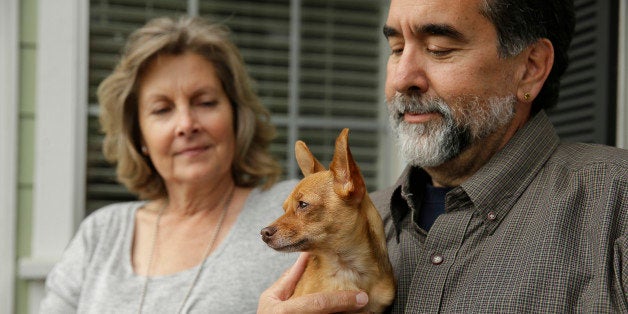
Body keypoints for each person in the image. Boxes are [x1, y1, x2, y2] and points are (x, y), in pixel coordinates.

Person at [258, 0, 628, 312]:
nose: (403, 77)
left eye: (439, 48)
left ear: (530, 68)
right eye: (396, 48)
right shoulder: (356, 226)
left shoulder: (616, 204)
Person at [40, 16, 297, 313]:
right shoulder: (100, 234)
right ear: (139, 136)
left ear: (237, 117)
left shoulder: (289, 211)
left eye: (205, 102)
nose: (186, 124)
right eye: (162, 109)